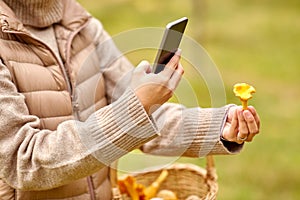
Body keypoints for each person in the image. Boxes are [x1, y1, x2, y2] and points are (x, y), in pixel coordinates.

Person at [0, 0, 260, 199]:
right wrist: (135, 106)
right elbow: (23, 160)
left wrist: (220, 126)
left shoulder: (80, 24)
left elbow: (143, 114)